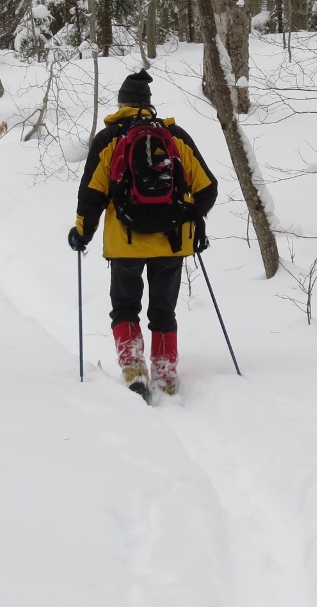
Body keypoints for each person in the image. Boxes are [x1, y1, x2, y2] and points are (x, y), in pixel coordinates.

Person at [68, 69, 217, 400]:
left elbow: (91, 196)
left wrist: (82, 234)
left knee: (124, 308)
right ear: (149, 105)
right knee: (163, 311)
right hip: (172, 243)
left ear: (122, 104)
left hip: (125, 244)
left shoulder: (109, 139)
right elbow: (208, 189)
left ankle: (134, 369)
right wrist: (186, 216)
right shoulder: (174, 137)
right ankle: (165, 375)